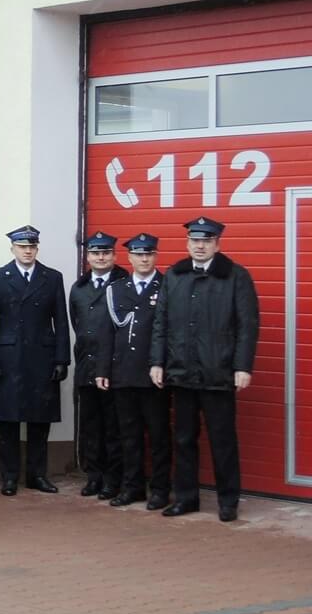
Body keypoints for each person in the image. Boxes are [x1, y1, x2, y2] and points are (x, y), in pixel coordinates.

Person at [151, 216, 258, 522]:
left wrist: (242, 366)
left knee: (222, 440)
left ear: (217, 244)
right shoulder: (175, 275)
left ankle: (228, 501)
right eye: (195, 240)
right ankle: (186, 498)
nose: (200, 246)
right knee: (184, 439)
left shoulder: (236, 276)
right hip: (182, 372)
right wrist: (157, 361)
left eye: (206, 241)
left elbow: (247, 325)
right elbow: (161, 323)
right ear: (188, 244)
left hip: (218, 372)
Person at [0, 225, 69, 496]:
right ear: (13, 249)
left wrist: (62, 359)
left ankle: (37, 475)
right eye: (22, 247)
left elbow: (61, 321)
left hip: (42, 356)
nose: (27, 251)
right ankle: (9, 477)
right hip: (9, 357)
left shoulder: (52, 277)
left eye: (31, 247)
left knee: (40, 420)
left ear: (37, 248)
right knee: (9, 420)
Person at [99, 233, 171, 510]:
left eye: (149, 254)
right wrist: (103, 369)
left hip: (154, 375)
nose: (144, 259)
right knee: (128, 435)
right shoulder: (117, 289)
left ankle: (160, 490)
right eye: (139, 254)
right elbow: (107, 333)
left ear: (155, 256)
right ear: (129, 257)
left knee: (159, 436)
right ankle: (133, 488)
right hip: (123, 373)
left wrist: (163, 365)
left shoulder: (167, 286)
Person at [68, 232, 122, 500]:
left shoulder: (123, 283)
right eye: (95, 253)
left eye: (105, 252)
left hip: (114, 368)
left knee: (113, 427)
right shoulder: (79, 288)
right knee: (90, 426)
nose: (100, 257)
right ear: (88, 257)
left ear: (114, 255)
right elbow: (77, 324)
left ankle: (113, 479)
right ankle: (94, 477)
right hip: (87, 366)